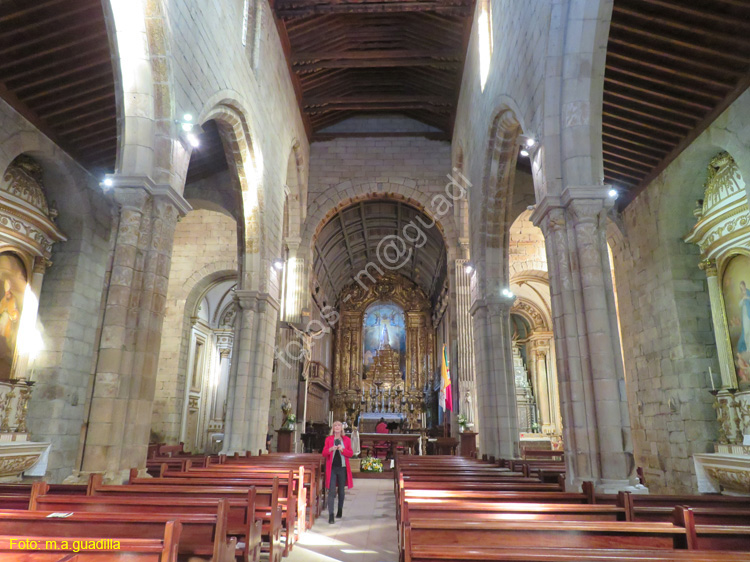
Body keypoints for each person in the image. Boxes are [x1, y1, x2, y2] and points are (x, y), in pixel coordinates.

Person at [322, 420, 353, 524]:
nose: (337, 427)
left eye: (339, 425)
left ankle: (340, 509)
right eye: (335, 425)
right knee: (331, 491)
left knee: (341, 491)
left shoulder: (346, 440)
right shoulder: (328, 439)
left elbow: (351, 453)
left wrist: (342, 449)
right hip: (332, 469)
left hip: (342, 468)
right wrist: (331, 449)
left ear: (342, 428)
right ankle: (331, 515)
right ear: (333, 428)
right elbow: (324, 453)